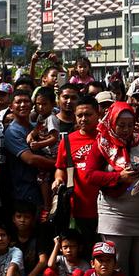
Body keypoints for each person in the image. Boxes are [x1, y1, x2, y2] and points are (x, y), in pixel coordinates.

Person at [83, 102, 139, 276]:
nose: (126, 130)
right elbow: (89, 175)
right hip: (114, 212)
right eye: (121, 125)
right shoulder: (101, 144)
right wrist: (118, 177)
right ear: (112, 122)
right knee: (118, 262)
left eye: (130, 125)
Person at [53, 96, 102, 239]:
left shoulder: (105, 138)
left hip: (104, 208)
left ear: (98, 114)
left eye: (88, 114)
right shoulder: (67, 141)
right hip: (76, 207)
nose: (83, 119)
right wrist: (58, 179)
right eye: (80, 115)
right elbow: (60, 167)